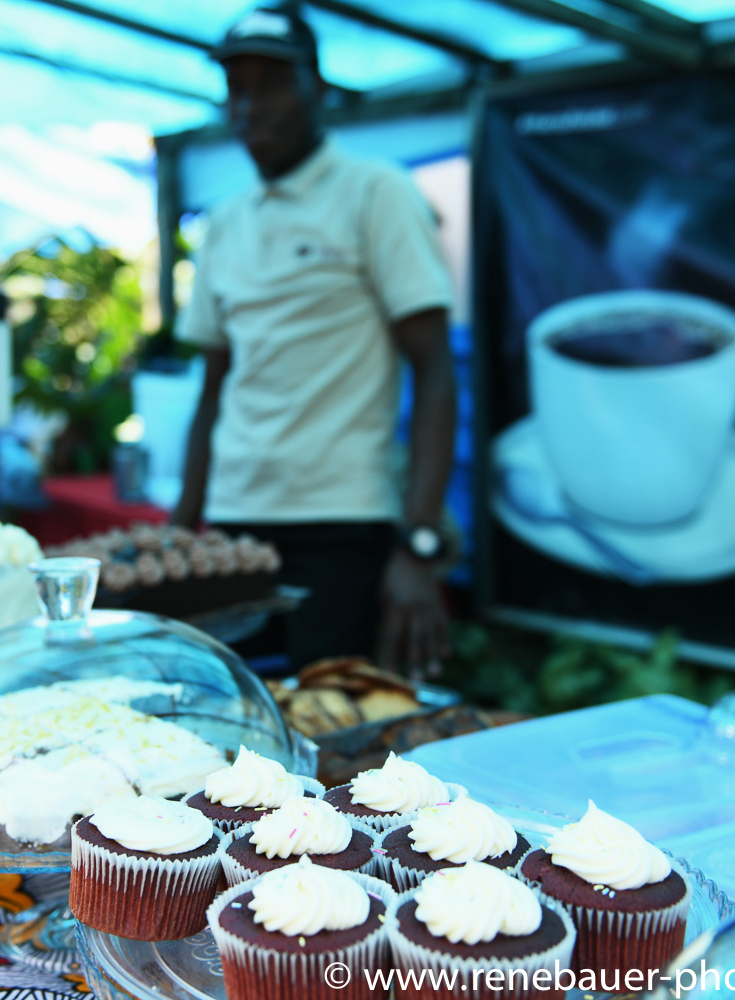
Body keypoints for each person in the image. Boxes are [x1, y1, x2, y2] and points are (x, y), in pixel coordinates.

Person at [173, 7, 458, 676]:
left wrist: (418, 541)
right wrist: (181, 535)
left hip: (340, 522)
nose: (251, 106)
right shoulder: (225, 221)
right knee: (236, 715)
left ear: (318, 90)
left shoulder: (375, 193)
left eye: (273, 84)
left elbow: (436, 371)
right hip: (236, 521)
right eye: (237, 88)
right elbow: (212, 390)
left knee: (326, 715)